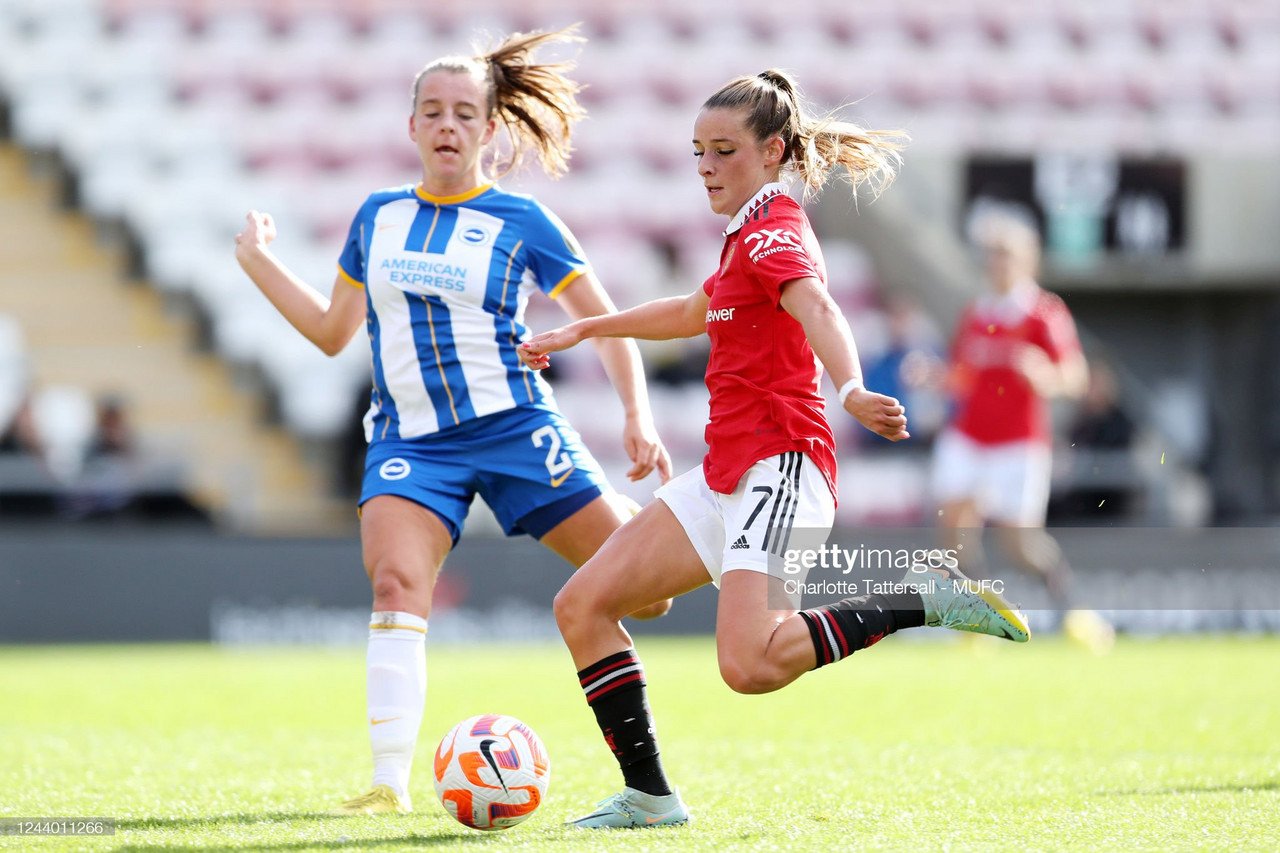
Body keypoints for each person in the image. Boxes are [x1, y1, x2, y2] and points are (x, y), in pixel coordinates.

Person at [518, 69, 1030, 829]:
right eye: (697, 152)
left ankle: (916, 594)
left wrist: (850, 385)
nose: (705, 167)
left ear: (772, 151)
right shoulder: (742, 238)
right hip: (727, 471)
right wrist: (587, 328)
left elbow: (818, 305)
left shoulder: (777, 230)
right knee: (583, 604)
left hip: (782, 465)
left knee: (748, 665)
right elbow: (694, 311)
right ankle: (651, 796)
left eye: (723, 151)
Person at [233, 26, 674, 816]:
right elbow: (334, 332)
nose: (446, 125)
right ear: (410, 127)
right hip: (411, 443)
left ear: (490, 129)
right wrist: (260, 261)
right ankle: (388, 779)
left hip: (516, 429)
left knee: (646, 597)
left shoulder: (523, 219)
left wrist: (637, 417)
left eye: (464, 113)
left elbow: (605, 322)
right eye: (432, 111)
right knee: (398, 582)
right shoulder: (378, 217)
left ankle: (633, 532)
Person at [930, 214, 1112, 651]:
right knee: (955, 520)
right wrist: (935, 377)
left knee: (1020, 542)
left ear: (1028, 260)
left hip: (1019, 442)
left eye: (1006, 255)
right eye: (992, 255)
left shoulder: (1042, 311)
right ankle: (977, 620)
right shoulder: (976, 312)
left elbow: (1075, 376)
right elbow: (961, 375)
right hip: (970, 436)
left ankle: (1075, 611)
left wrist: (1044, 374)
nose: (997, 263)